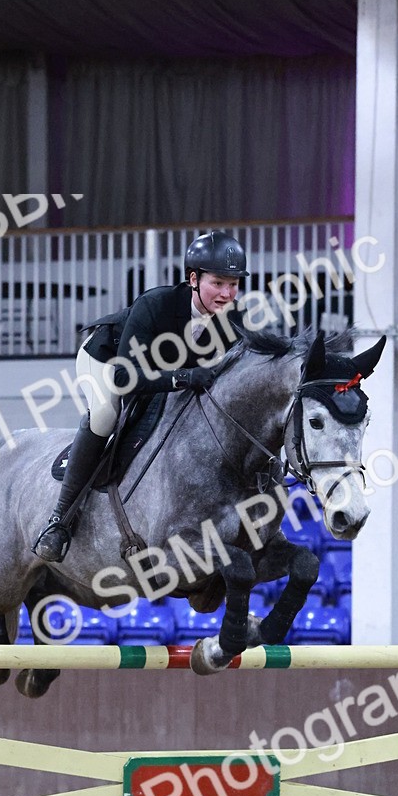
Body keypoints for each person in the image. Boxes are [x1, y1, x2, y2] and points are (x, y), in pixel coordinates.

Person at [32, 230, 248, 562]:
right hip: (106, 361)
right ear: (194, 279)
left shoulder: (232, 318)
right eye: (217, 283)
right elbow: (123, 377)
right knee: (105, 416)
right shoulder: (157, 304)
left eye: (233, 284)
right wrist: (183, 376)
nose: (226, 293)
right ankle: (60, 521)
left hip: (160, 373)